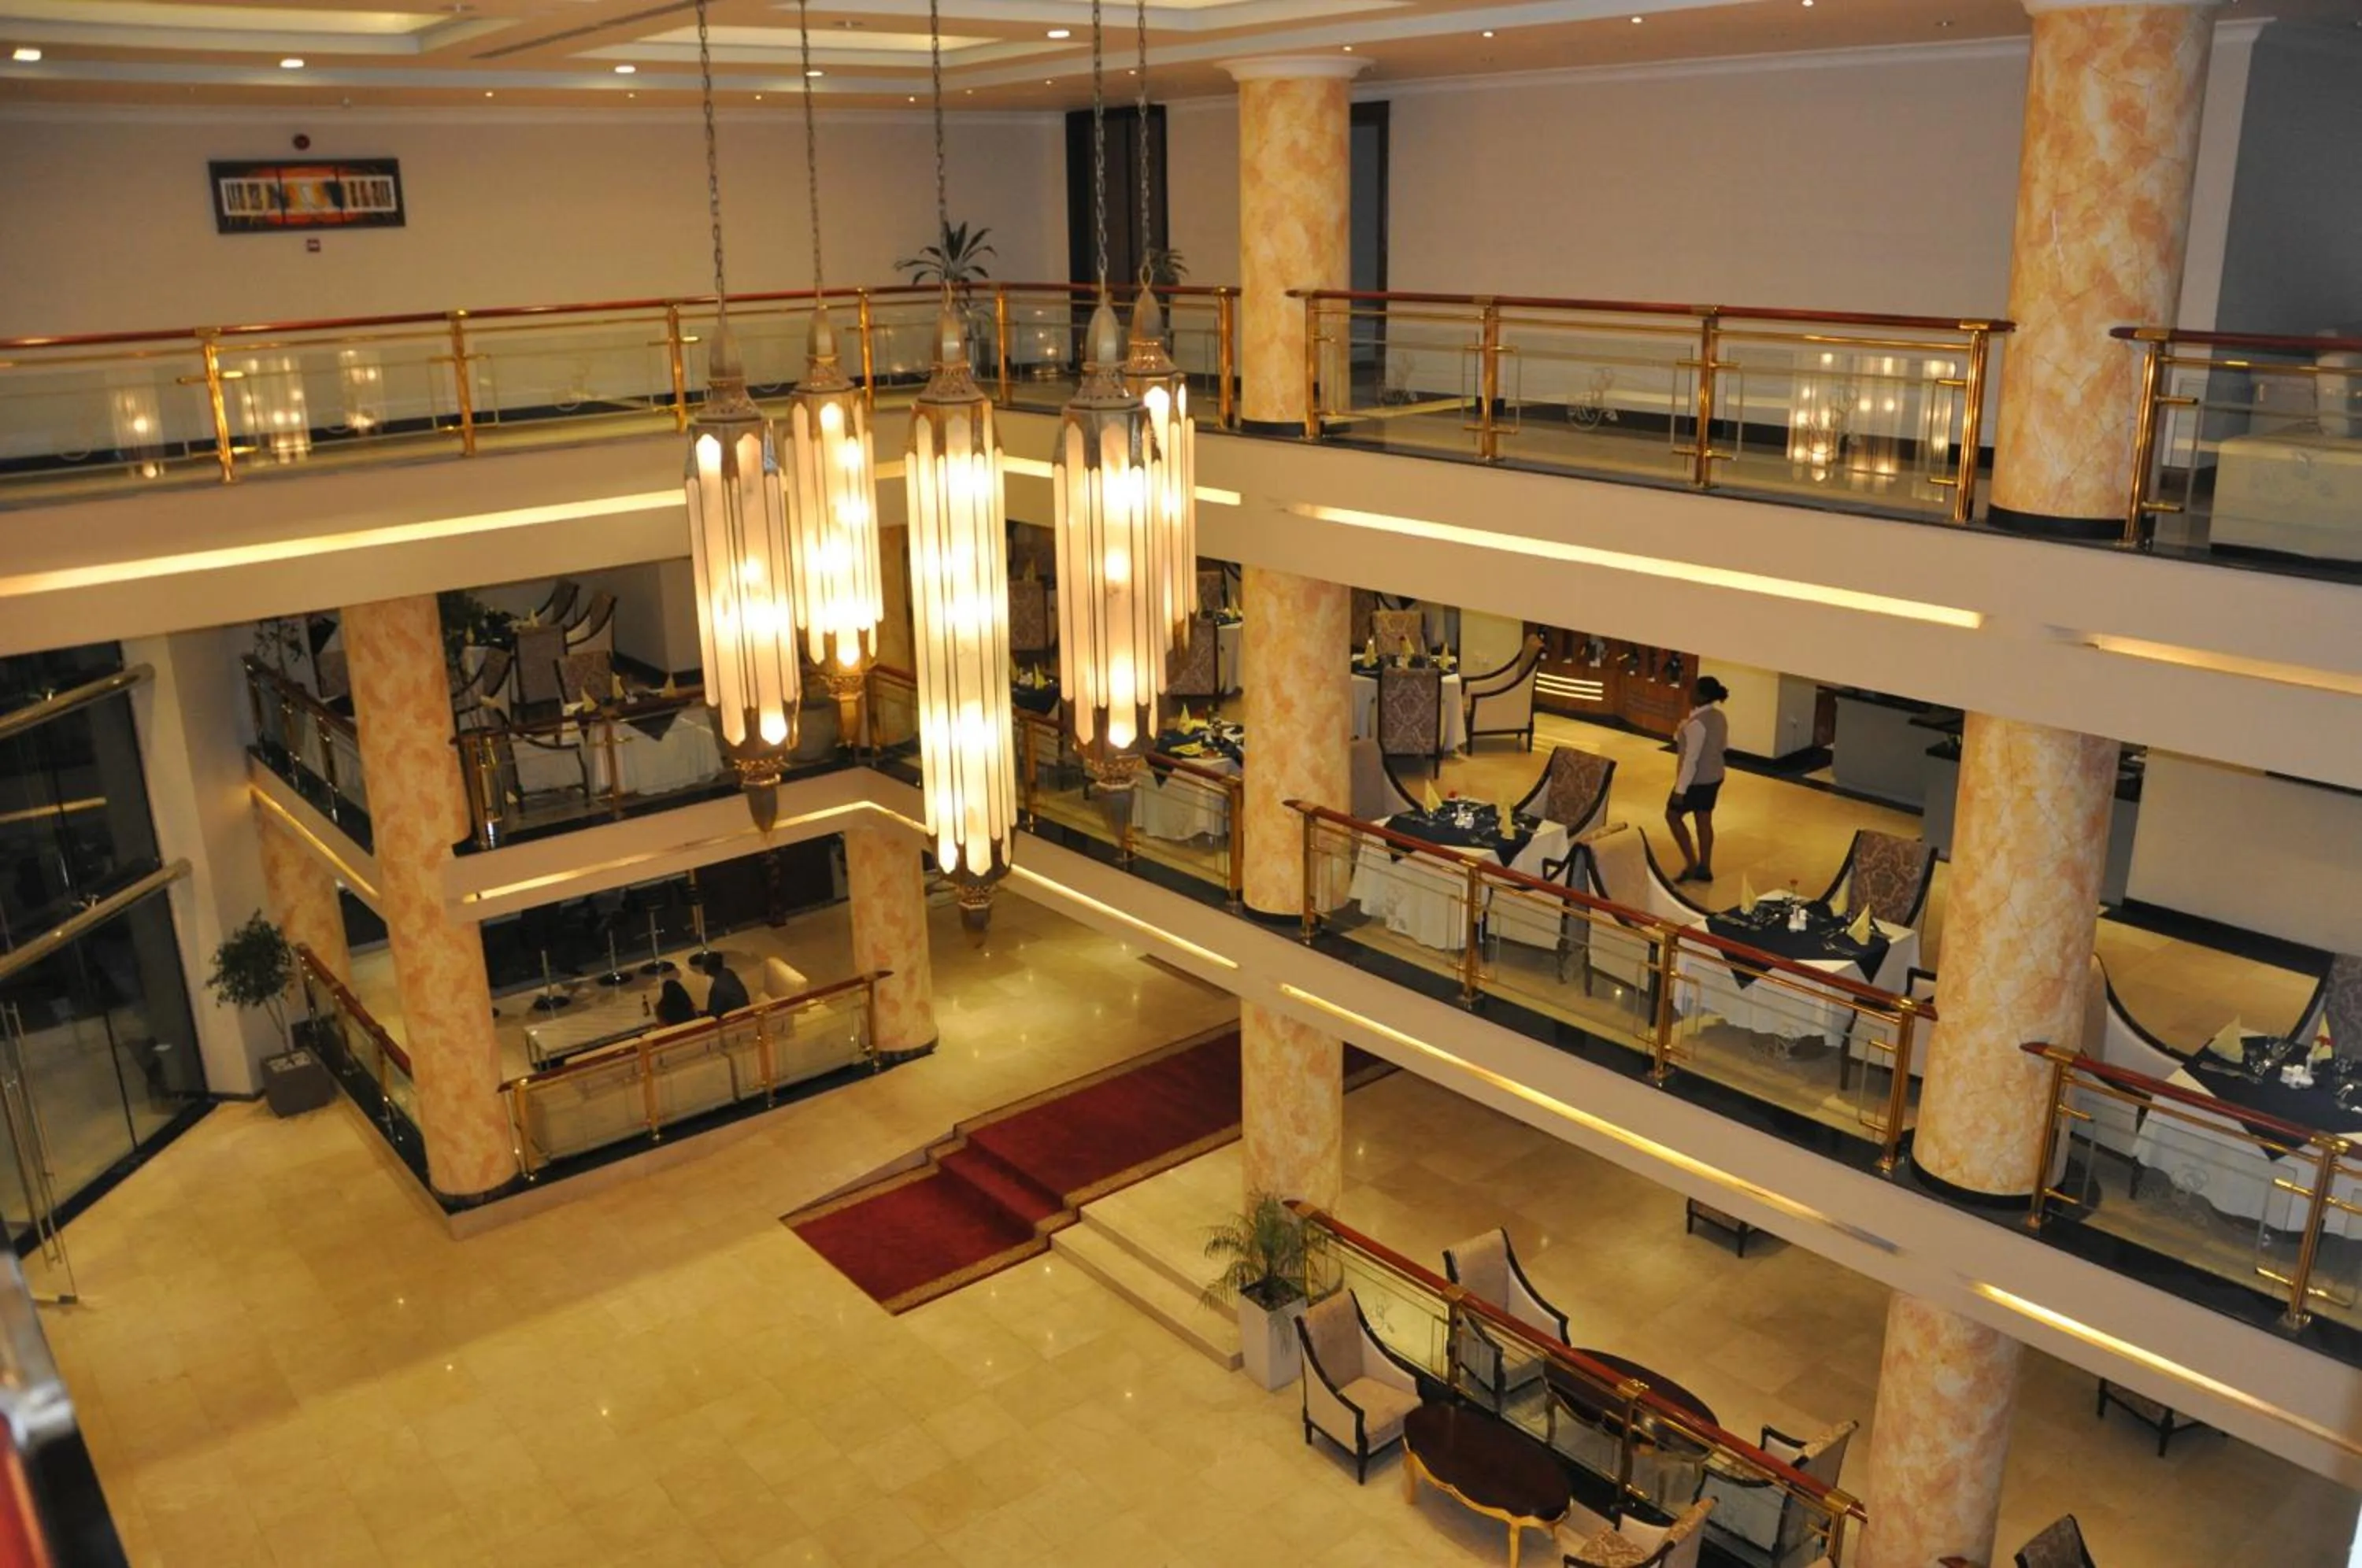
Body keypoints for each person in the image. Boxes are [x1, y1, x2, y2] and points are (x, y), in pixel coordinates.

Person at [1666, 676, 1730, 884]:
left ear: (1701, 695)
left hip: (1697, 781)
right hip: (1715, 776)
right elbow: (1723, 746)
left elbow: (1690, 761)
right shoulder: (1719, 717)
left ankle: (1692, 864)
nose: (1689, 693)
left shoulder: (1696, 724)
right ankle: (1705, 867)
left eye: (1693, 690)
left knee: (1672, 816)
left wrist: (1680, 791)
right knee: (1704, 819)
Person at [698, 952, 751, 1019]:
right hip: (746, 1010)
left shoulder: (717, 987)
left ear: (708, 968)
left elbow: (715, 1014)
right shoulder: (729, 972)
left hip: (735, 1018)